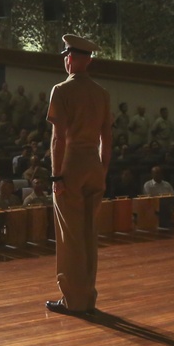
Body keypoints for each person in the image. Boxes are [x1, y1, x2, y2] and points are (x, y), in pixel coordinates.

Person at [45, 35, 111, 316]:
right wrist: (103, 169)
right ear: (90, 60)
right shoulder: (102, 93)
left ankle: (73, 299)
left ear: (70, 58)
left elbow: (58, 138)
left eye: (65, 56)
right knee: (88, 234)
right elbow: (107, 139)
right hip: (94, 164)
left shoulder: (61, 90)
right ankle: (89, 296)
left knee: (70, 236)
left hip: (70, 164)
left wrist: (56, 176)